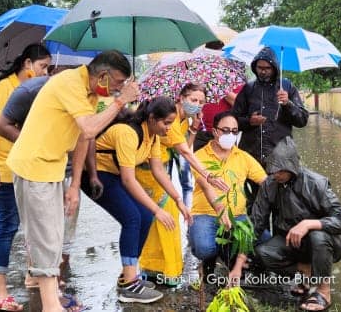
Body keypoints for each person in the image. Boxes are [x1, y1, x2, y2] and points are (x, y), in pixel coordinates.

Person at [6, 50, 139, 312]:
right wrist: (121, 101)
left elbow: (83, 137)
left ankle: (46, 291)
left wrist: (76, 185)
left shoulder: (90, 93)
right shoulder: (69, 82)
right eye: (117, 83)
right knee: (47, 238)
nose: (118, 88)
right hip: (34, 166)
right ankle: (51, 306)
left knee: (54, 235)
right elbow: (90, 128)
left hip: (53, 167)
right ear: (103, 76)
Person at [0, 70, 105, 287]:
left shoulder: (85, 96)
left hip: (59, 168)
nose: (45, 70)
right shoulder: (29, 91)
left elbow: (86, 136)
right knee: (36, 231)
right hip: (32, 167)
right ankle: (40, 285)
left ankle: (51, 279)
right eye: (43, 65)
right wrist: (34, 142)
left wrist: (82, 180)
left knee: (58, 232)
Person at [91, 97, 191, 303]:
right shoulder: (128, 133)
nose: (169, 128)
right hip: (96, 174)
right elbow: (128, 180)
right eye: (166, 123)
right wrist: (158, 210)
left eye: (171, 123)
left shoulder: (152, 136)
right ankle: (129, 286)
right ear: (152, 118)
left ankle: (128, 277)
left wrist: (178, 199)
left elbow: (158, 170)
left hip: (114, 174)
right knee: (132, 218)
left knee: (145, 217)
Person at [0, 43, 51, 312]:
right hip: (6, 168)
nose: (45, 72)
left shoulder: (36, 90)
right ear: (27, 64)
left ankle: (33, 275)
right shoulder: (5, 88)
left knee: (34, 225)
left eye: (48, 67)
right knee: (8, 226)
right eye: (43, 66)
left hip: (30, 167)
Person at [138, 83, 227, 285]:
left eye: (201, 102)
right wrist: (207, 174)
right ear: (181, 97)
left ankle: (155, 268)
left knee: (160, 220)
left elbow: (184, 147)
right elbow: (185, 152)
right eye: (193, 100)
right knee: (164, 219)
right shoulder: (170, 117)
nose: (197, 105)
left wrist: (194, 128)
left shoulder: (184, 120)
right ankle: (165, 270)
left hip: (161, 168)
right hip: (149, 171)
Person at [250, 137, 341, 312]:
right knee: (264, 252)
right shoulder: (270, 185)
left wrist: (309, 224)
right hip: (292, 242)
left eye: (280, 171)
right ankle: (306, 272)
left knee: (318, 236)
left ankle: (323, 291)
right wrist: (240, 257)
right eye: (272, 170)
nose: (275, 175)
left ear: (292, 168)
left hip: (327, 243)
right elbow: (257, 223)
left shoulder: (316, 183)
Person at [188, 111, 267, 286]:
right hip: (205, 214)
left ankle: (230, 253)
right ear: (214, 131)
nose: (230, 135)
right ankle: (210, 258)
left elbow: (265, 182)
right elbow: (206, 185)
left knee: (265, 242)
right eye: (225, 130)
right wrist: (220, 210)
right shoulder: (199, 157)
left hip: (238, 216)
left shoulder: (243, 157)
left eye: (234, 131)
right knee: (204, 248)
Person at [232, 47, 309, 206]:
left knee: (281, 204)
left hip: (281, 158)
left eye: (267, 68)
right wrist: (249, 122)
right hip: (251, 156)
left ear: (274, 68)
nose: (263, 71)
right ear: (254, 67)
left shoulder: (287, 87)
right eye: (259, 67)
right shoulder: (248, 89)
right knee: (253, 204)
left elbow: (302, 120)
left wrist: (288, 104)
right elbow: (233, 121)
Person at [194, 82, 244, 151]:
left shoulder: (235, 81)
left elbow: (241, 106)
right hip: (202, 132)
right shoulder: (199, 80)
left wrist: (219, 86)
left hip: (225, 133)